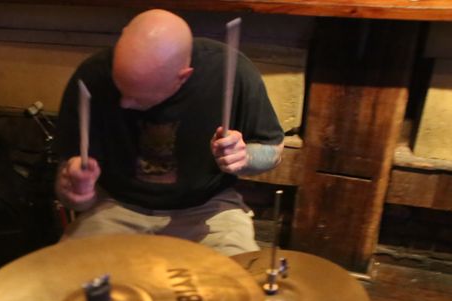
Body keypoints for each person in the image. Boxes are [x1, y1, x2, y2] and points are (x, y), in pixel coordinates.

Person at [54, 9, 284, 256]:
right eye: (121, 87)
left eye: (137, 97)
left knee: (239, 276)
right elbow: (69, 182)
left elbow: (273, 150)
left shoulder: (231, 70)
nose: (124, 103)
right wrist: (75, 192)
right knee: (65, 271)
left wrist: (245, 157)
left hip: (208, 208)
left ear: (182, 77)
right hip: (115, 205)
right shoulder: (92, 75)